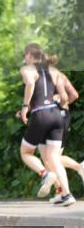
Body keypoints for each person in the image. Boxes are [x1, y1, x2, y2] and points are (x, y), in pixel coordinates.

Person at [16, 44, 74, 206]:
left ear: (29, 54)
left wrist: (25, 107)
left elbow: (30, 84)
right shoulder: (53, 71)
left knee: (26, 152)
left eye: (24, 55)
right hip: (56, 116)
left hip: (40, 116)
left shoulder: (27, 69)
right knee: (53, 157)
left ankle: (44, 174)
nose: (24, 58)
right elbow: (63, 97)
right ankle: (66, 194)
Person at [42, 61, 82, 202]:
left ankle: (65, 193)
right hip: (64, 117)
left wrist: (58, 103)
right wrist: (64, 105)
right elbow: (75, 95)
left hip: (54, 118)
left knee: (50, 159)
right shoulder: (62, 76)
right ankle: (62, 191)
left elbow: (67, 97)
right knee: (53, 158)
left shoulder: (47, 78)